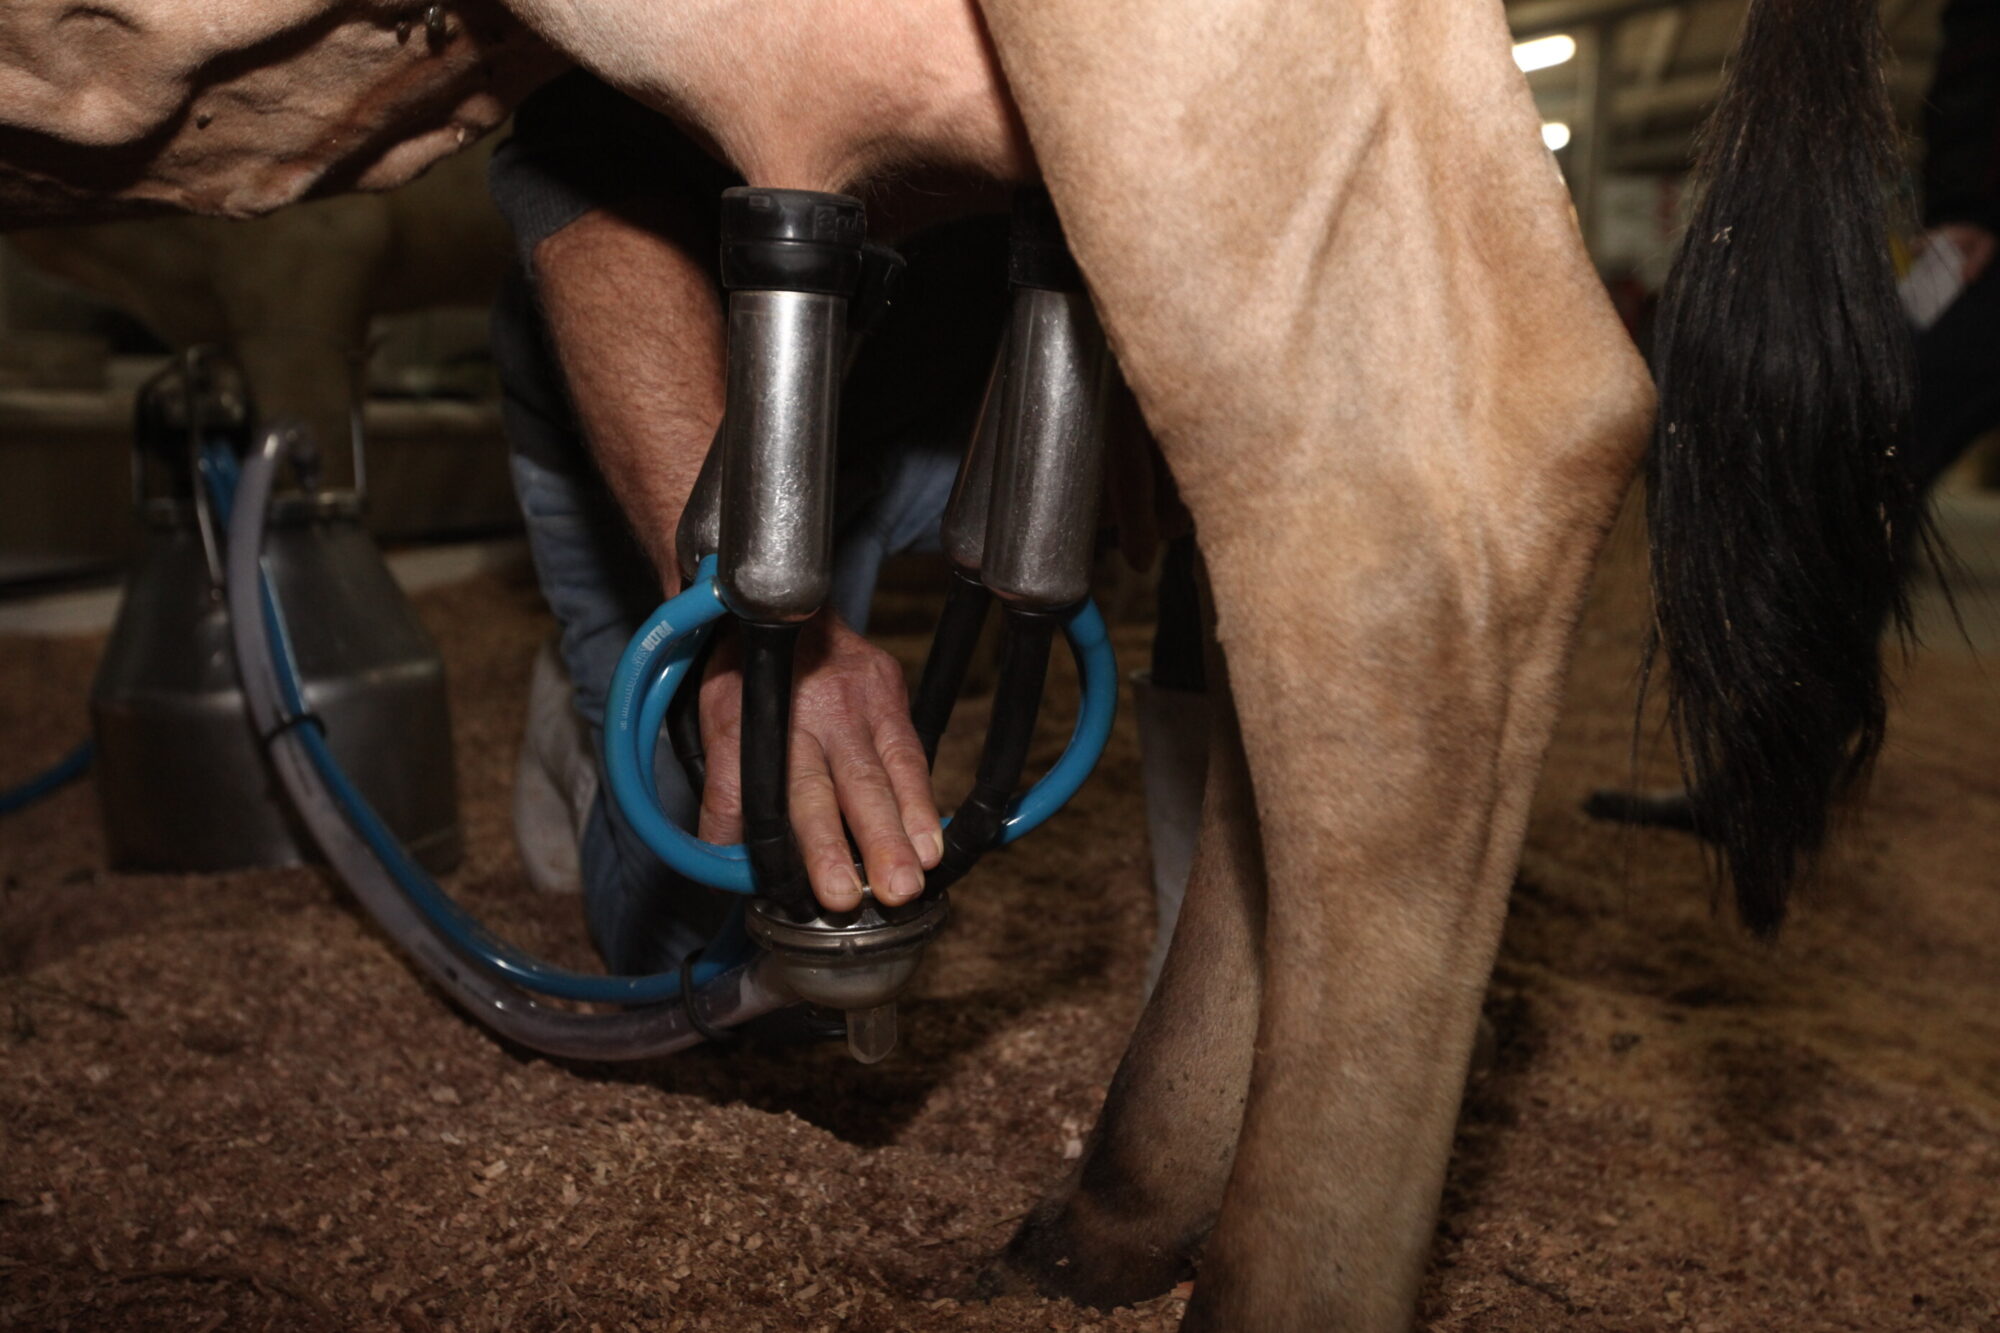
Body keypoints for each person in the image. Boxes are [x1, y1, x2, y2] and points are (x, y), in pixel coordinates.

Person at [488, 72, 1009, 975]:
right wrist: (749, 621)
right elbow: (584, 178)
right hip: (666, 395)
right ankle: (598, 710)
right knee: (705, 938)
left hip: (919, 406)